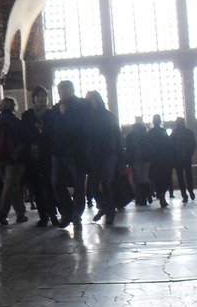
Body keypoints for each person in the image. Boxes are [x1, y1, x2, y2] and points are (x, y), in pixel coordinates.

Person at [47, 79, 90, 228]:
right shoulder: (56, 108)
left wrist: (66, 115)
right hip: (58, 152)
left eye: (63, 90)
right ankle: (67, 212)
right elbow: (51, 127)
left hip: (76, 153)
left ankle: (76, 214)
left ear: (71, 90)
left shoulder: (82, 105)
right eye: (59, 91)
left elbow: (83, 127)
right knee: (56, 182)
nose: (61, 93)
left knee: (79, 185)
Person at [84, 90, 124, 224]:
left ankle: (110, 213)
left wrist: (121, 157)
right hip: (93, 156)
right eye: (87, 99)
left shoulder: (109, 116)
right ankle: (103, 206)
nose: (89, 102)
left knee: (107, 184)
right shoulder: (86, 118)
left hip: (108, 155)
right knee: (93, 185)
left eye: (91, 99)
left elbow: (118, 137)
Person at [21, 86, 58, 226]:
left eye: (43, 96)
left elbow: (55, 133)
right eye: (38, 96)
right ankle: (43, 215)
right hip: (32, 156)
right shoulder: (27, 115)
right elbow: (23, 134)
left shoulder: (52, 114)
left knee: (49, 185)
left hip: (47, 154)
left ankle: (53, 214)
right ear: (33, 99)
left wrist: (43, 131)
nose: (41, 98)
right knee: (36, 186)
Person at [0, 97, 27, 225]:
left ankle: (20, 213)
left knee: (11, 185)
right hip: (13, 160)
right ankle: (2, 213)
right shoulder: (17, 123)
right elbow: (22, 142)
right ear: (13, 107)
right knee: (10, 186)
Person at [145, 114, 171, 207]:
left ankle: (160, 195)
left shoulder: (149, 133)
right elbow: (168, 145)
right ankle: (162, 196)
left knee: (156, 179)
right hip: (163, 159)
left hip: (154, 159)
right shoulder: (163, 132)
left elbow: (147, 146)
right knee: (164, 179)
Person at [125, 118, 152, 205]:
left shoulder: (132, 137)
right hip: (137, 161)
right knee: (140, 180)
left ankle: (143, 197)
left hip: (142, 160)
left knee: (141, 179)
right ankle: (143, 196)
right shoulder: (144, 137)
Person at [169, 117, 197, 202]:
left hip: (186, 158)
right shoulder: (174, 133)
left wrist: (190, 154)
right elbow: (171, 145)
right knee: (181, 177)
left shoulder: (188, 132)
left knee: (188, 176)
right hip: (178, 159)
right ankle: (184, 194)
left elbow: (193, 144)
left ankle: (190, 191)